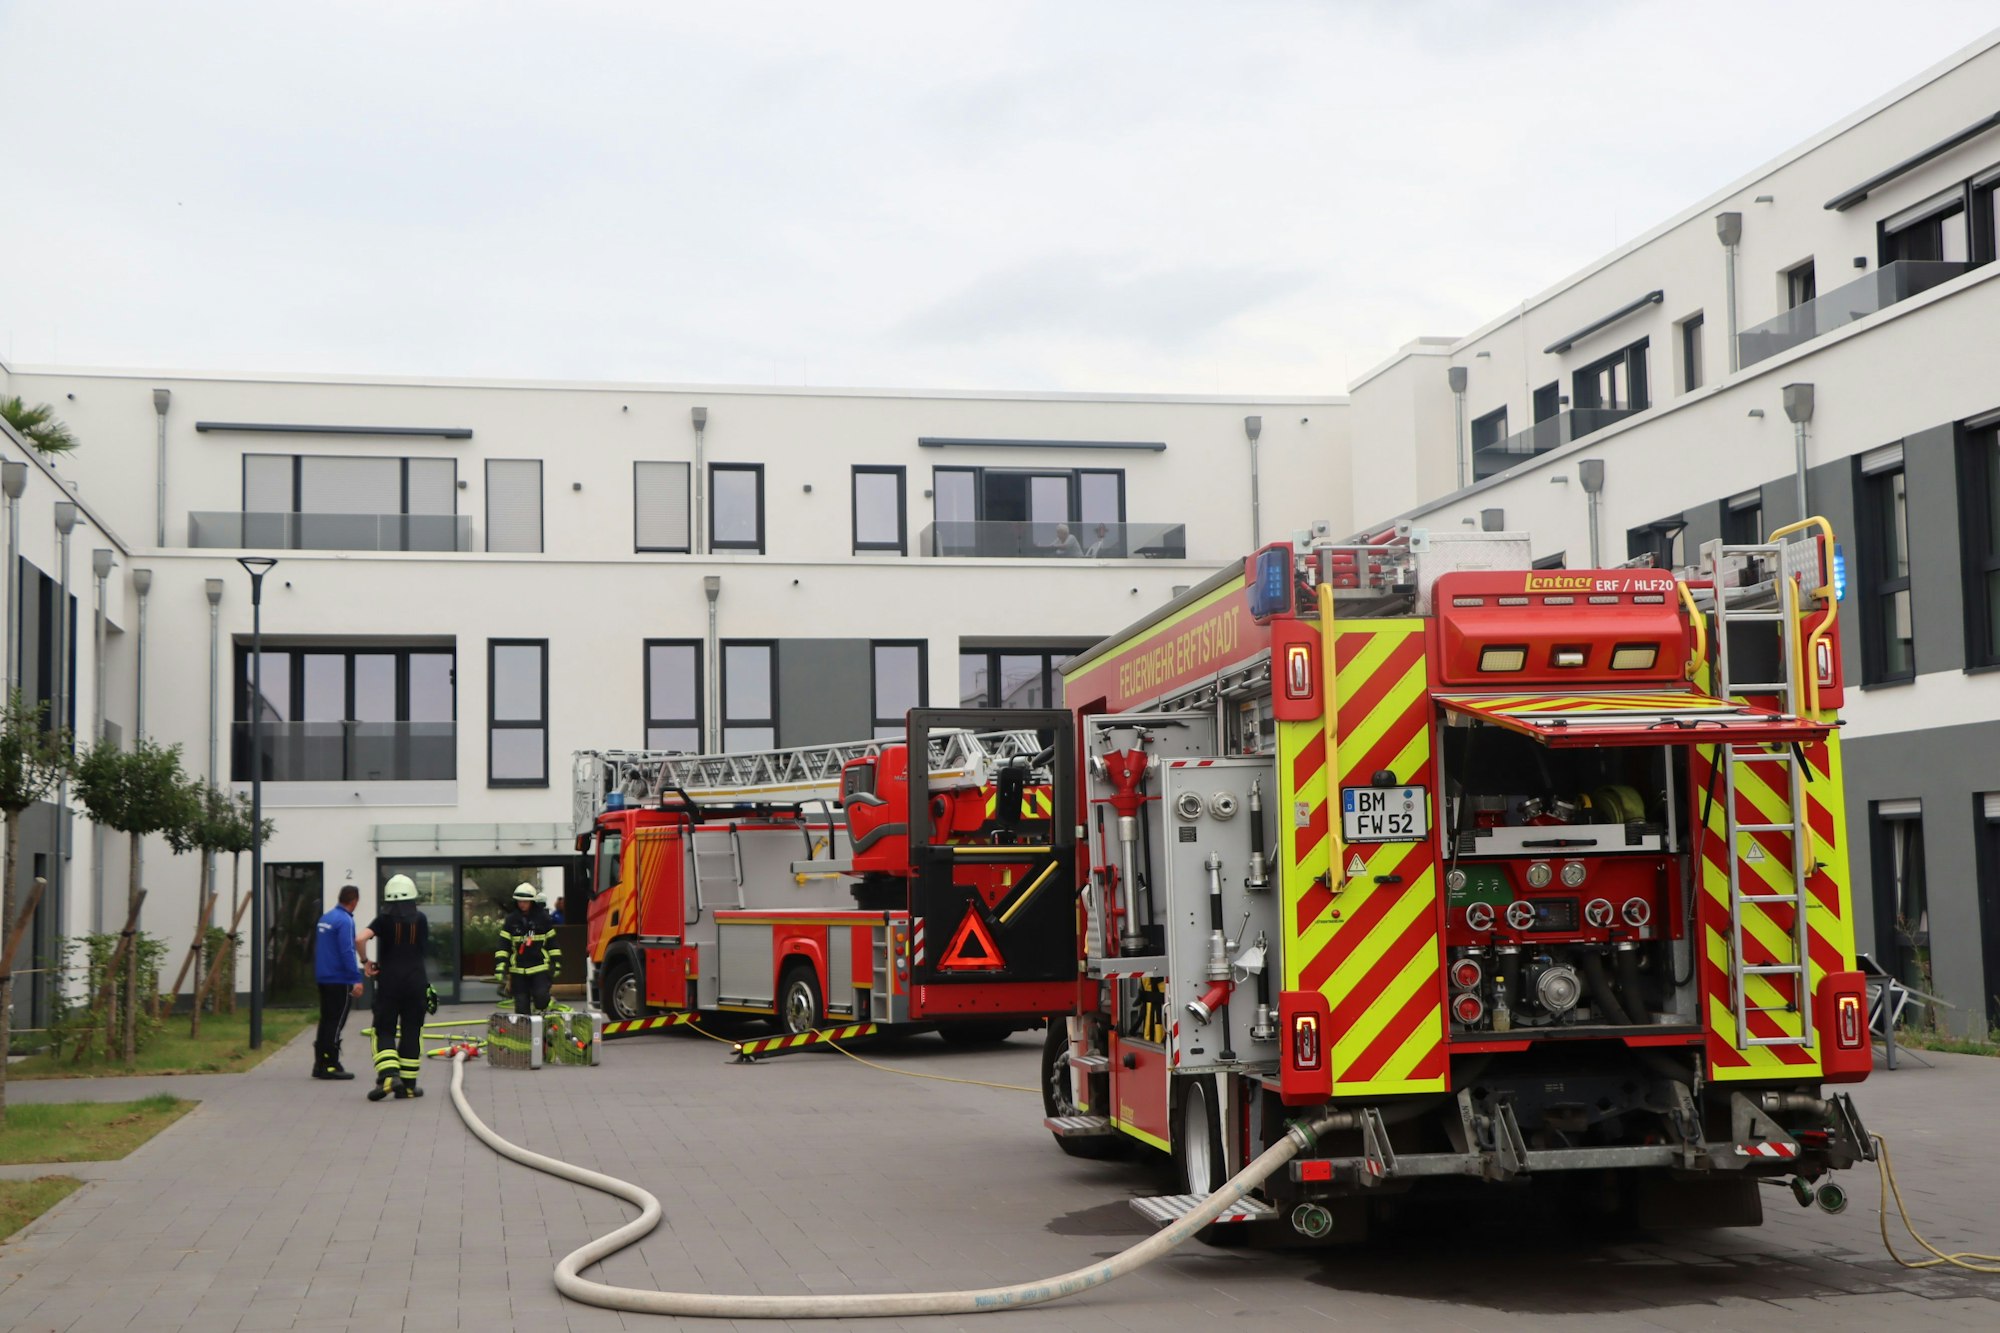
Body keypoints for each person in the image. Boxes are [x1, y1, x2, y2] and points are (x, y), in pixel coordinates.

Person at [356, 874, 430, 1101]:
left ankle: (389, 1076)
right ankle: (408, 1087)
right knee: (412, 1030)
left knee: (384, 1029)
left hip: (389, 982)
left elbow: (360, 938)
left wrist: (365, 962)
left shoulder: (383, 920)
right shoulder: (421, 919)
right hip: (417, 982)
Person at [310, 885, 365, 1080]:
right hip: (339, 979)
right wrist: (356, 979)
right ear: (354, 901)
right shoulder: (345, 921)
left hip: (323, 977)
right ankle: (330, 1064)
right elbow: (347, 951)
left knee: (326, 1019)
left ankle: (319, 1063)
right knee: (336, 1021)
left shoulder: (326, 918)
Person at [496, 883, 562, 1016]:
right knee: (521, 1006)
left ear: (532, 901)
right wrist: (500, 965)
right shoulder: (511, 920)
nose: (522, 904)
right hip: (518, 970)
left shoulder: (543, 918)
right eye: (520, 901)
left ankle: (542, 1018)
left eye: (525, 901)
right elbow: (503, 945)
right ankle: (526, 1033)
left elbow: (552, 943)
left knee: (541, 997)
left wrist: (557, 963)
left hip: (539, 967)